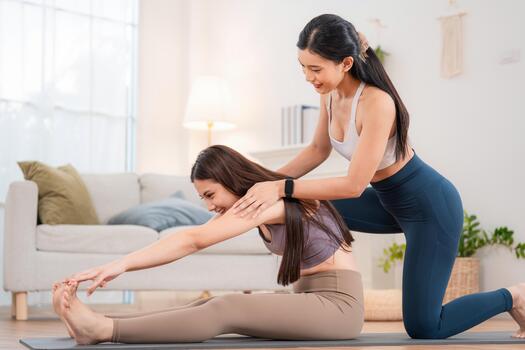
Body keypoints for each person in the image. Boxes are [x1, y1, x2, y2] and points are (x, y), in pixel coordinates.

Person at [231, 14, 525, 339]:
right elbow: (317, 150)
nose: (307, 77)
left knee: (425, 326)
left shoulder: (377, 102)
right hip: (387, 202)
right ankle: (306, 295)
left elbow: (354, 185)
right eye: (303, 67)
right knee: (295, 202)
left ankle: (514, 296)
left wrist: (281, 186)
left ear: (345, 63)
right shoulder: (328, 94)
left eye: (315, 69)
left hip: (430, 208)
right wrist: (262, 182)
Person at [52, 145, 364, 345]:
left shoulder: (270, 203)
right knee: (204, 304)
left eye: (210, 195)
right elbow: (187, 238)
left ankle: (103, 330)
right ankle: (96, 327)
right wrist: (116, 264)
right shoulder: (255, 203)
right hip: (312, 300)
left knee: (226, 307)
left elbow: (192, 240)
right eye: (202, 197)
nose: (208, 205)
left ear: (233, 180)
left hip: (337, 306)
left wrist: (118, 266)